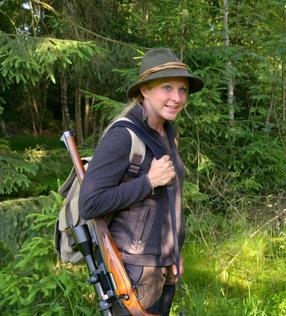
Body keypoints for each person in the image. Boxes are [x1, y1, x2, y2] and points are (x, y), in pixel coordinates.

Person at [79, 48, 204, 315]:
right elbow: (89, 204)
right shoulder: (123, 136)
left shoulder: (167, 132)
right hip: (133, 272)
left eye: (183, 90)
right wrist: (148, 181)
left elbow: (167, 204)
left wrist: (173, 252)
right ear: (144, 90)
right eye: (167, 87)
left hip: (161, 266)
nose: (177, 97)